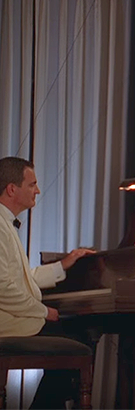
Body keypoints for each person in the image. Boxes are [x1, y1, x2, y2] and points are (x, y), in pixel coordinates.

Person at [0, 156, 95, 409]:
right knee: (79, 336)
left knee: (77, 331)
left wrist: (63, 265)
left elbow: (22, 278)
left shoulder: (5, 223)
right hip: (7, 322)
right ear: (12, 189)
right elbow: (2, 288)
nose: (38, 190)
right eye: (32, 184)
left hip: (11, 317)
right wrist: (43, 311)